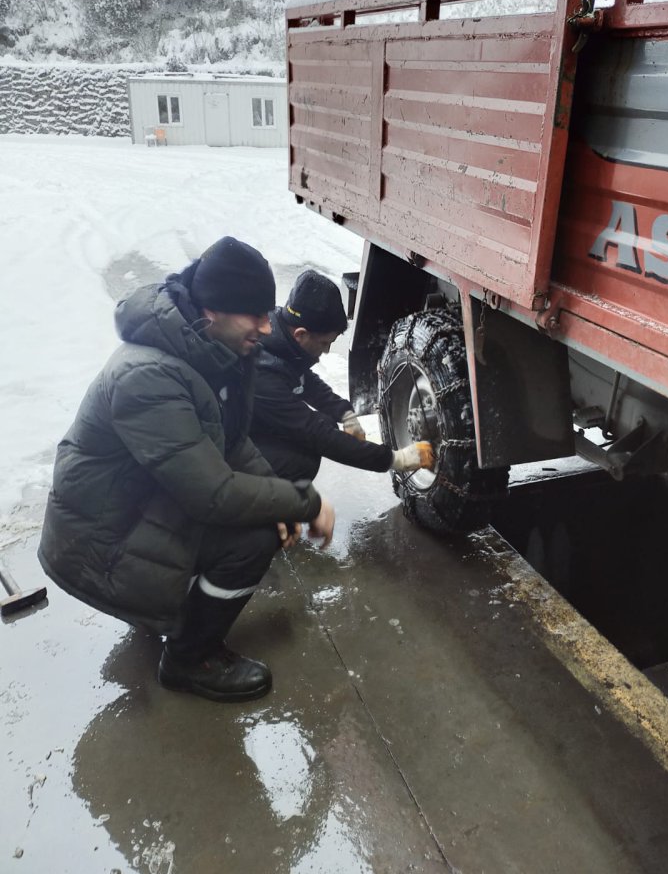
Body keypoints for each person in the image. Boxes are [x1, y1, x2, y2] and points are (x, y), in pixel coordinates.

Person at [38, 237, 335, 704]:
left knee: (265, 511)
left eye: (267, 311)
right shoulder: (149, 375)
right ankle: (189, 659)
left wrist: (278, 491)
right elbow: (212, 494)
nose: (265, 325)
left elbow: (233, 444)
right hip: (97, 543)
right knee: (255, 536)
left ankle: (167, 609)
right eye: (253, 314)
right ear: (212, 310)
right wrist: (304, 501)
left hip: (132, 509)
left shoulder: (213, 350)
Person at [250, 269, 435, 483]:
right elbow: (316, 434)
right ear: (300, 334)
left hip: (247, 428)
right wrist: (395, 459)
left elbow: (305, 381)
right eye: (324, 343)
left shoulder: (279, 337)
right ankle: (258, 511)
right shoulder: (263, 374)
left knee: (326, 424)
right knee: (299, 460)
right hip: (222, 454)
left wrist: (345, 412)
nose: (327, 350)